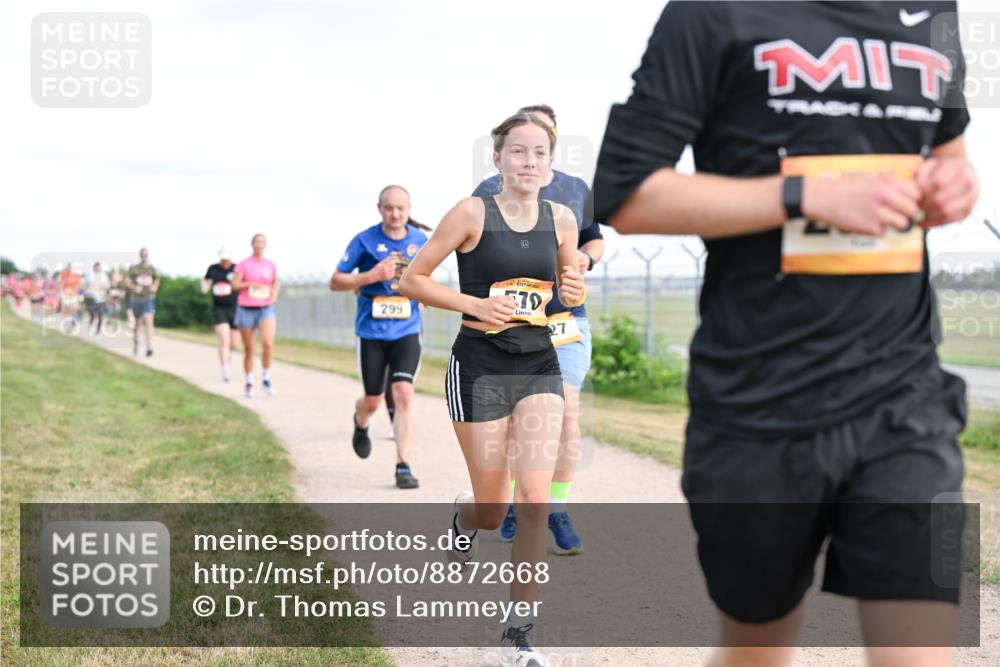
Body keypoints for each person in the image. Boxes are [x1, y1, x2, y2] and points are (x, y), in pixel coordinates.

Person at [591, 2, 978, 666]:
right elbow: (626, 194)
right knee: (758, 650)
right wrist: (801, 195)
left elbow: (949, 156)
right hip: (756, 407)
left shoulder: (934, 10)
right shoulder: (711, 13)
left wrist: (955, 184)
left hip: (906, 395)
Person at [401, 112, 585, 667]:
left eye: (541, 154)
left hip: (538, 364)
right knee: (492, 507)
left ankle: (517, 634)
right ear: (498, 159)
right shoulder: (470, 212)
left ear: (551, 165)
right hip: (478, 365)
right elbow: (413, 279)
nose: (530, 162)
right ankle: (464, 518)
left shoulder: (563, 219)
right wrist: (476, 304)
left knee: (532, 499)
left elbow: (564, 294)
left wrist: (572, 286)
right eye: (519, 152)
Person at [474, 103, 605, 554]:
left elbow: (594, 238)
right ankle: (515, 502)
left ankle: (557, 506)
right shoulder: (490, 189)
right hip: (513, 323)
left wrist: (584, 259)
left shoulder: (575, 188)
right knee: (519, 422)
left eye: (544, 137)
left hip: (565, 319)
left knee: (566, 409)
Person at [330, 185, 429, 489]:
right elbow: (336, 281)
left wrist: (424, 293)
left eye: (401, 208)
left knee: (403, 392)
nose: (395, 213)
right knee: (373, 401)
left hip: (407, 330)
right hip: (371, 332)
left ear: (409, 208)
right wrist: (370, 277)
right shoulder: (365, 240)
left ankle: (403, 465)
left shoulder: (420, 241)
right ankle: (360, 423)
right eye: (389, 208)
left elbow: (429, 276)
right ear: (379, 209)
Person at [231, 233, 279, 398]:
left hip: (265, 308)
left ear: (265, 245)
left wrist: (274, 294)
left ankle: (266, 378)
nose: (259, 245)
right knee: (249, 348)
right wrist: (249, 284)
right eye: (256, 242)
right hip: (246, 307)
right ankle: (249, 382)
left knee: (267, 343)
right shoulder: (243, 264)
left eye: (262, 242)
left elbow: (275, 282)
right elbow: (235, 285)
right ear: (252, 244)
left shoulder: (270, 265)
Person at [202, 247, 241, 382]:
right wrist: (205, 286)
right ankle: (225, 369)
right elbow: (206, 279)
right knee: (224, 339)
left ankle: (228, 356)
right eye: (223, 260)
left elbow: (242, 283)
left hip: (235, 308)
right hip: (219, 309)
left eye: (228, 260)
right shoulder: (213, 269)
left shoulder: (237, 269)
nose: (226, 263)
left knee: (234, 343)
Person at [125, 248, 160, 357]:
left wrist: (155, 286)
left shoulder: (151, 269)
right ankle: (136, 343)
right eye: (143, 255)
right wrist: (134, 287)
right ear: (140, 255)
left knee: (149, 321)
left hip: (149, 298)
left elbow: (157, 280)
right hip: (137, 299)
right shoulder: (134, 268)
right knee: (137, 324)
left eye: (146, 255)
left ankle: (149, 346)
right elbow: (127, 280)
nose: (144, 256)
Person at [84, 262, 110, 336]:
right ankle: (91, 328)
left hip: (101, 298)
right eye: (96, 267)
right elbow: (85, 286)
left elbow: (108, 286)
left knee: (100, 314)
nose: (98, 269)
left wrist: (103, 289)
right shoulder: (89, 276)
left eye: (99, 267)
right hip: (91, 298)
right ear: (93, 268)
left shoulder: (104, 276)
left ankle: (98, 330)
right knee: (92, 314)